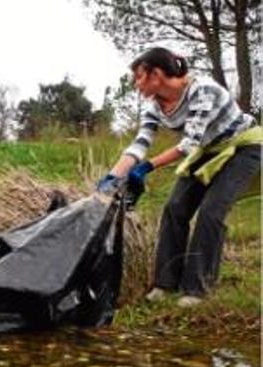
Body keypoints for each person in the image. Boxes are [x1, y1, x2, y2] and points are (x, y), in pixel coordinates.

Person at [97, 47, 261, 307]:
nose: (135, 84)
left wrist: (147, 168)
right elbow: (140, 143)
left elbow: (188, 145)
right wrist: (113, 176)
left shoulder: (203, 90)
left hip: (243, 148)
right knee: (174, 209)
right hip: (208, 149)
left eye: (139, 77)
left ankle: (197, 289)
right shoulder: (155, 106)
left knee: (211, 212)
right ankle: (165, 284)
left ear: (157, 74)